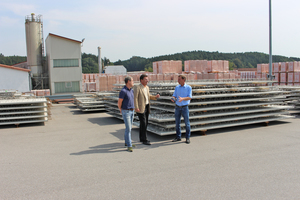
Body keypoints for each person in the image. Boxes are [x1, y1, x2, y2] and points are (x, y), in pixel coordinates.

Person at [134, 74, 160, 145]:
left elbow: (148, 96)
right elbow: (135, 98)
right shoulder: (137, 87)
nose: (147, 80)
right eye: (145, 79)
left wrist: (155, 97)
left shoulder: (147, 88)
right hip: (140, 108)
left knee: (144, 123)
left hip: (147, 107)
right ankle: (145, 139)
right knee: (143, 123)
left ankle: (141, 138)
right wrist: (136, 107)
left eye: (147, 79)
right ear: (141, 80)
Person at [171, 75, 192, 144]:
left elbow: (189, 97)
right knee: (177, 123)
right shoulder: (177, 87)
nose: (178, 81)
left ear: (183, 80)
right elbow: (174, 95)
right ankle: (178, 137)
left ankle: (187, 137)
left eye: (179, 79)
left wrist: (183, 99)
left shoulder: (189, 87)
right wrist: (173, 98)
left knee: (187, 123)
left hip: (185, 107)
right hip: (177, 107)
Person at [118, 76, 135, 152]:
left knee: (129, 128)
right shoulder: (123, 91)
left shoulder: (131, 90)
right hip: (126, 111)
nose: (133, 82)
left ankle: (127, 142)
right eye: (132, 81)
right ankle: (129, 145)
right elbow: (119, 102)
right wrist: (120, 109)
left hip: (132, 111)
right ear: (128, 81)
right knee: (128, 128)